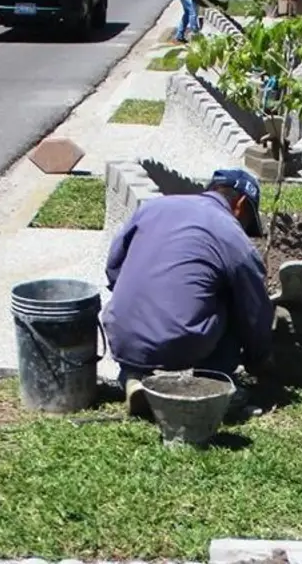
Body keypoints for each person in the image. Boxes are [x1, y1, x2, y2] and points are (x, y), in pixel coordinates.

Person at [100, 168, 275, 416]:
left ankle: (134, 378)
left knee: (138, 295)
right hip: (181, 340)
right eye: (247, 221)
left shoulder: (154, 207)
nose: (244, 227)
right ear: (241, 204)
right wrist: (260, 357)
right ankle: (215, 383)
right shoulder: (231, 233)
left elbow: (114, 267)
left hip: (122, 333)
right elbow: (254, 310)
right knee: (235, 299)